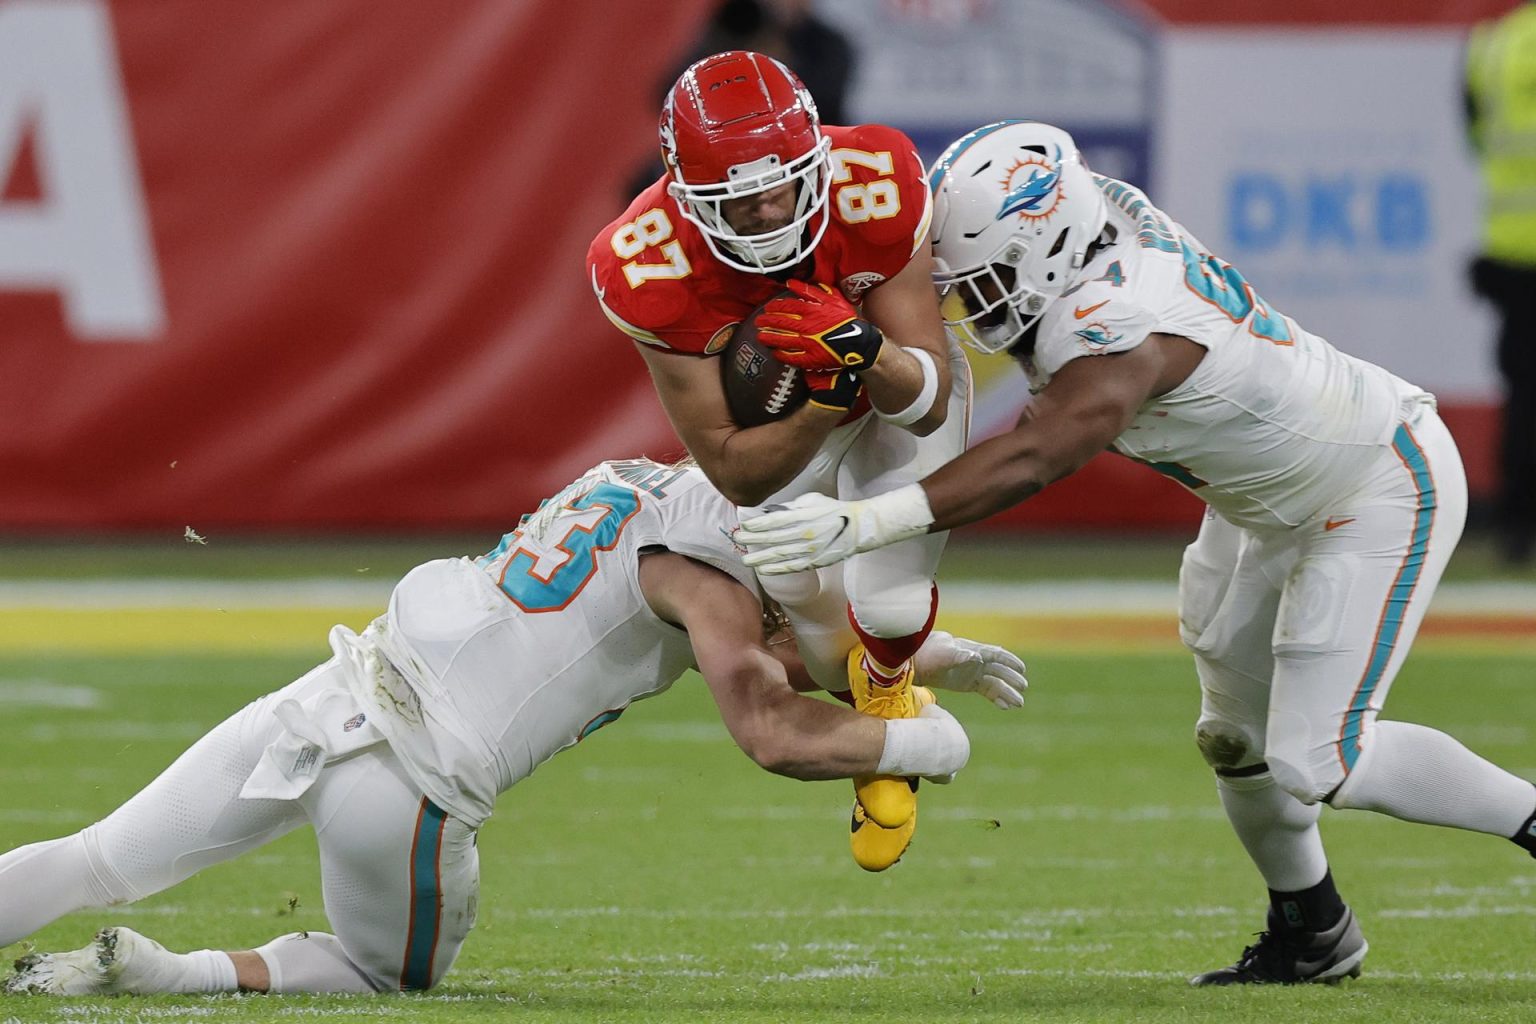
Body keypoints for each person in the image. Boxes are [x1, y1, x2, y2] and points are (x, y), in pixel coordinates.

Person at [735, 120, 1536, 985]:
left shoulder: (1116, 313)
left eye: (992, 279)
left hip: (1375, 484)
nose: (973, 302)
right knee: (1235, 738)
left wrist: (865, 523)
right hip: (1262, 503)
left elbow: (1041, 453)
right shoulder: (1083, 226)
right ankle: (1313, 930)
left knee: (1321, 759)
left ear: (1048, 245)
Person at [1, 458, 1024, 996]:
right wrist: (926, 742)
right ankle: (163, 971)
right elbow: (771, 725)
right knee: (381, 975)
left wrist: (932, 655)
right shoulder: (708, 576)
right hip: (407, 789)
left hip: (329, 696)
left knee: (95, 856)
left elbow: (779, 629)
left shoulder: (638, 482)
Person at [587, 50, 971, 849]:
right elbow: (732, 469)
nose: (765, 211)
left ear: (816, 163)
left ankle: (893, 701)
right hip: (791, 424)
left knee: (889, 602)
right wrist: (825, 397)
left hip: (892, 390)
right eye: (736, 201)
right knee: (802, 600)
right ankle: (881, 686)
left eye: (778, 186)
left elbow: (929, 403)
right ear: (684, 198)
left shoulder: (876, 177)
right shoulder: (645, 263)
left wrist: (862, 352)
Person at [1466, 2, 1536, 566]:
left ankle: (1519, 527)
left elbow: (1478, 138)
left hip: (1514, 251)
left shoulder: (1492, 46)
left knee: (1525, 400)